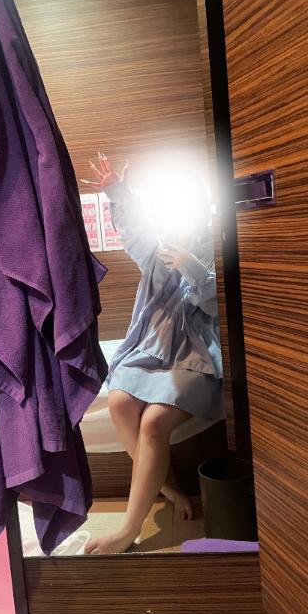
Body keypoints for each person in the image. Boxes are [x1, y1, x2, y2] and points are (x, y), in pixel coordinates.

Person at [83, 154, 224, 554]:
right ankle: (167, 487)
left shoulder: (218, 244)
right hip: (152, 346)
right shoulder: (158, 248)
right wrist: (118, 192)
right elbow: (137, 231)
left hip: (196, 352)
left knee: (154, 422)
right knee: (119, 402)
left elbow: (217, 305)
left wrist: (192, 266)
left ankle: (129, 528)